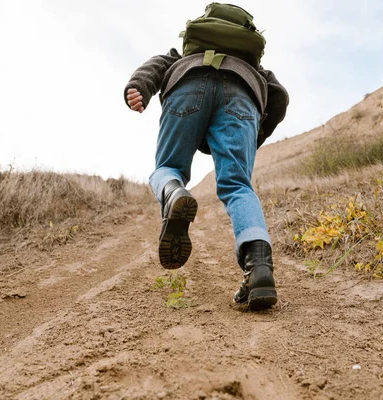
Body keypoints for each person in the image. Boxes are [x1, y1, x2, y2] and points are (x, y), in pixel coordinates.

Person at [123, 3, 289, 310]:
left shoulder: (186, 54)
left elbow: (158, 63)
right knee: (238, 186)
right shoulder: (254, 67)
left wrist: (140, 87)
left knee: (167, 167)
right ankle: (259, 270)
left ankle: (173, 193)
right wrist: (256, 134)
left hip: (187, 83)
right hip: (242, 96)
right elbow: (279, 97)